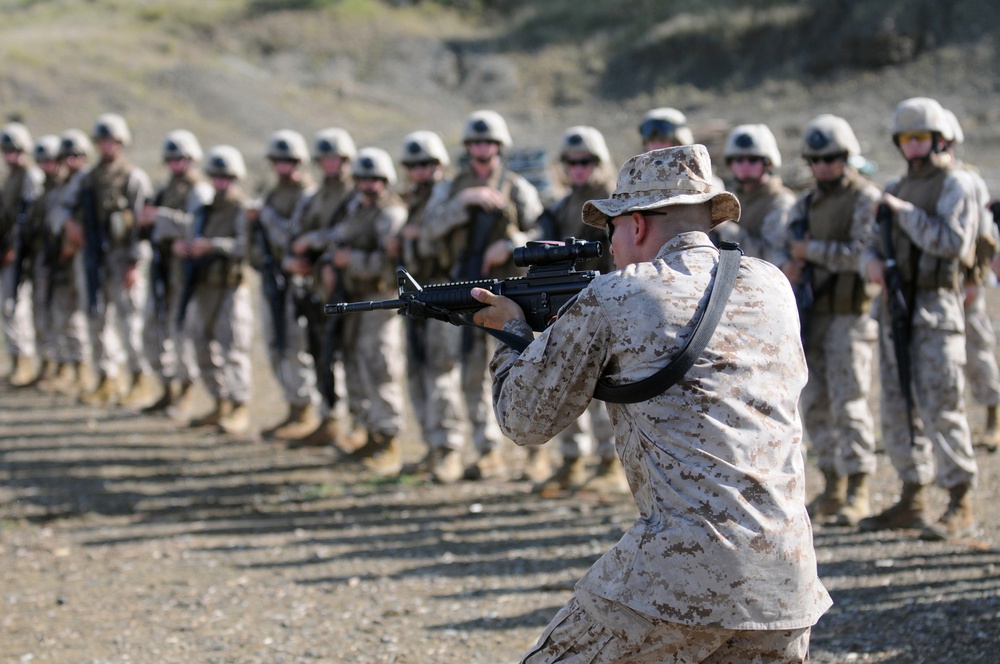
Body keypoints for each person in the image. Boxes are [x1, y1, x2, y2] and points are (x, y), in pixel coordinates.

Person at [472, 145, 831, 662]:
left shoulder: (619, 293)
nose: (610, 246)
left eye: (612, 229)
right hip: (787, 580)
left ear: (636, 225)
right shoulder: (772, 284)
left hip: (678, 577)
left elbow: (523, 421)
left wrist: (510, 335)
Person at [858, 97, 980, 541]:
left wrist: (904, 213)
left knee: (941, 402)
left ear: (939, 139)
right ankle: (912, 495)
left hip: (934, 306)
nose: (912, 146)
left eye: (920, 138)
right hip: (896, 308)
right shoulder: (896, 186)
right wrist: (870, 264)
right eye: (906, 138)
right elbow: (871, 243)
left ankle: (959, 498)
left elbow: (951, 241)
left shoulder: (957, 184)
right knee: (896, 404)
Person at [423, 109, 543, 480]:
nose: (481, 149)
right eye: (475, 142)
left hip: (507, 296)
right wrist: (464, 202)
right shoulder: (451, 189)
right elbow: (428, 232)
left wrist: (510, 245)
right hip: (462, 291)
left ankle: (535, 454)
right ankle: (483, 449)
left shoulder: (517, 186)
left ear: (499, 146)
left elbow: (541, 231)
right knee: (466, 373)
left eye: (488, 142)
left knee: (523, 369)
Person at [778, 114, 880, 526]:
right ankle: (832, 484)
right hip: (813, 315)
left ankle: (859, 489)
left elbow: (861, 254)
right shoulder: (804, 204)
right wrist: (792, 264)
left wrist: (810, 252)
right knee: (816, 405)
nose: (823, 167)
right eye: (816, 159)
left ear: (847, 158)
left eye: (832, 158)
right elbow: (791, 247)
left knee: (850, 403)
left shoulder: (864, 199)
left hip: (848, 317)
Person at [532, 125, 627, 494]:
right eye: (571, 163)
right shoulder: (564, 204)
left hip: (607, 303)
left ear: (599, 162)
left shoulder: (613, 201)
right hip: (569, 305)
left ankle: (609, 464)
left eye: (586, 161)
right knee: (565, 382)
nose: (579, 168)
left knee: (605, 386)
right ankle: (572, 460)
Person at [317, 147, 408, 475]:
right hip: (353, 299)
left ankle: (388, 439)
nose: (368, 185)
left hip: (379, 300)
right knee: (354, 363)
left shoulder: (390, 215)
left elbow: (390, 266)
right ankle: (368, 432)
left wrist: (350, 261)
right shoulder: (355, 208)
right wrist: (331, 263)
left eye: (374, 180)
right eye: (362, 179)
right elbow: (336, 242)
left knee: (380, 366)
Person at [383, 130, 468, 483]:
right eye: (414, 165)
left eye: (428, 164)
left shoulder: (449, 196)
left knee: (441, 370)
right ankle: (432, 445)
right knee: (417, 370)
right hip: (414, 295)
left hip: (441, 292)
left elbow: (439, 235)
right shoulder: (408, 202)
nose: (421, 171)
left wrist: (418, 233)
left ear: (440, 165)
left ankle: (449, 448)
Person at [282, 127, 358, 448]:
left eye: (336, 158)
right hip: (317, 289)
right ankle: (330, 418)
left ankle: (359, 426)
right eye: (325, 159)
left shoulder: (357, 196)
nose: (330, 164)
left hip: (349, 289)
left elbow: (348, 234)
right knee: (320, 354)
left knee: (355, 359)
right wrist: (293, 259)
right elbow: (294, 234)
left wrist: (316, 242)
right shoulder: (313, 199)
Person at [72, 113, 153, 407]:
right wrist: (71, 227)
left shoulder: (133, 177)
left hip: (123, 260)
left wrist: (135, 264)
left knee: (130, 323)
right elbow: (67, 211)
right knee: (96, 319)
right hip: (95, 259)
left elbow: (144, 226)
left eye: (112, 142)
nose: (107, 148)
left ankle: (139, 379)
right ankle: (107, 378)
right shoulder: (88, 179)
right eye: (102, 142)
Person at [174, 145, 254, 436]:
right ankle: (219, 400)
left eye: (227, 178)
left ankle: (238, 404)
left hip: (230, 287)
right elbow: (189, 232)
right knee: (200, 344)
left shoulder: (241, 209)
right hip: (203, 286)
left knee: (232, 347)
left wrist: (212, 245)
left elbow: (244, 247)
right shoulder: (204, 210)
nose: (221, 183)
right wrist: (185, 247)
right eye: (216, 178)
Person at [249, 129, 323, 438]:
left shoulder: (306, 195)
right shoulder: (271, 193)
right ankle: (293, 406)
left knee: (295, 346)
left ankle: (304, 408)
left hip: (297, 284)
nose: (283, 167)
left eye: (289, 161)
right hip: (274, 278)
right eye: (278, 161)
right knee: (275, 344)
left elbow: (291, 237)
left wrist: (266, 217)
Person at [136, 129, 213, 416]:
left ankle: (185, 392)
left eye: (181, 159)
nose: (176, 165)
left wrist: (161, 218)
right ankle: (167, 389)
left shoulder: (198, 190)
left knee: (183, 336)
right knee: (154, 330)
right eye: (172, 160)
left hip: (186, 275)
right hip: (163, 270)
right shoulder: (166, 189)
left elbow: (196, 226)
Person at [940, 108, 1000, 452]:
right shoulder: (927, 182)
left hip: (966, 282)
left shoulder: (968, 181)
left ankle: (992, 414)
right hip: (938, 286)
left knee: (978, 350)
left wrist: (976, 280)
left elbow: (985, 237)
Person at [38, 129, 93, 397]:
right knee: (64, 315)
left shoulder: (86, 183)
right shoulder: (61, 187)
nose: (70, 162)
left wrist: (71, 242)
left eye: (76, 156)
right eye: (66, 157)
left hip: (81, 257)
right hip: (60, 258)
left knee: (82, 316)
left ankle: (85, 372)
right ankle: (71, 368)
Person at [20, 135, 66, 388]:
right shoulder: (42, 192)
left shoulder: (64, 190)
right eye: (42, 161)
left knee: (59, 315)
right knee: (41, 312)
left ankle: (63, 367)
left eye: (50, 161)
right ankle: (46, 365)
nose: (46, 166)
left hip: (58, 262)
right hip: (40, 260)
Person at [0, 121, 44, 386]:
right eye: (6, 151)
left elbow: (27, 218)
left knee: (17, 306)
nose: (9, 156)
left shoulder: (30, 176)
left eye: (14, 151)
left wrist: (15, 248)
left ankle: (24, 361)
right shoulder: (12, 177)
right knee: (8, 306)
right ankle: (16, 360)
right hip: (8, 248)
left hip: (21, 252)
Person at [719, 123, 794, 266]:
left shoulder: (780, 202)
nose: (745, 165)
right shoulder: (733, 197)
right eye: (738, 159)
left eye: (753, 159)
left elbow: (771, 256)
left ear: (768, 163)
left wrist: (726, 230)